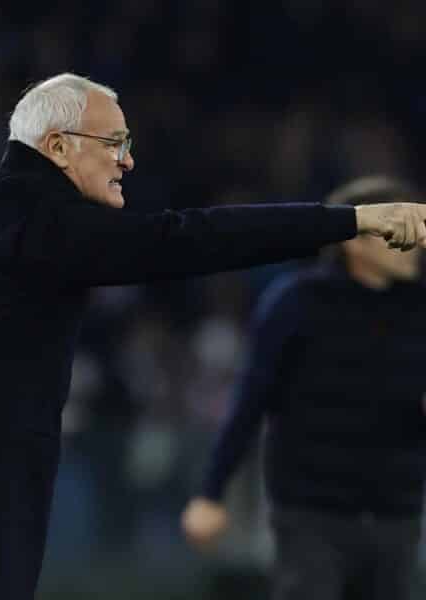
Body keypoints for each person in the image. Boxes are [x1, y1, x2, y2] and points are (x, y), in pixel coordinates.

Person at [0, 75, 425, 600]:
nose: (128, 160)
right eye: (114, 143)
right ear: (58, 148)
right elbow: (193, 238)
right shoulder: (44, 218)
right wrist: (348, 221)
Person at [181, 176, 426, 600]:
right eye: (398, 227)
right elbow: (249, 401)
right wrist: (210, 492)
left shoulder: (420, 308)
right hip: (310, 513)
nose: (414, 241)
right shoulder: (297, 301)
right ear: (355, 238)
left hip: (396, 513)